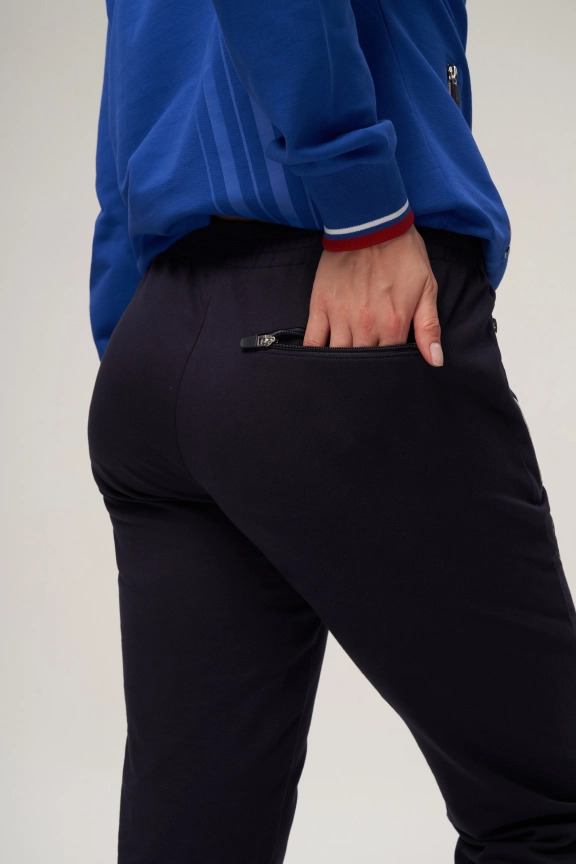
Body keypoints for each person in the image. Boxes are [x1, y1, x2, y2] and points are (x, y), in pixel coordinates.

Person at [87, 1, 576, 861]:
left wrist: (136, 330)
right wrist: (364, 208)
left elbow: (144, 71)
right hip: (337, 296)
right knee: (553, 808)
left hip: (158, 348)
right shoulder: (354, 231)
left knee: (198, 839)